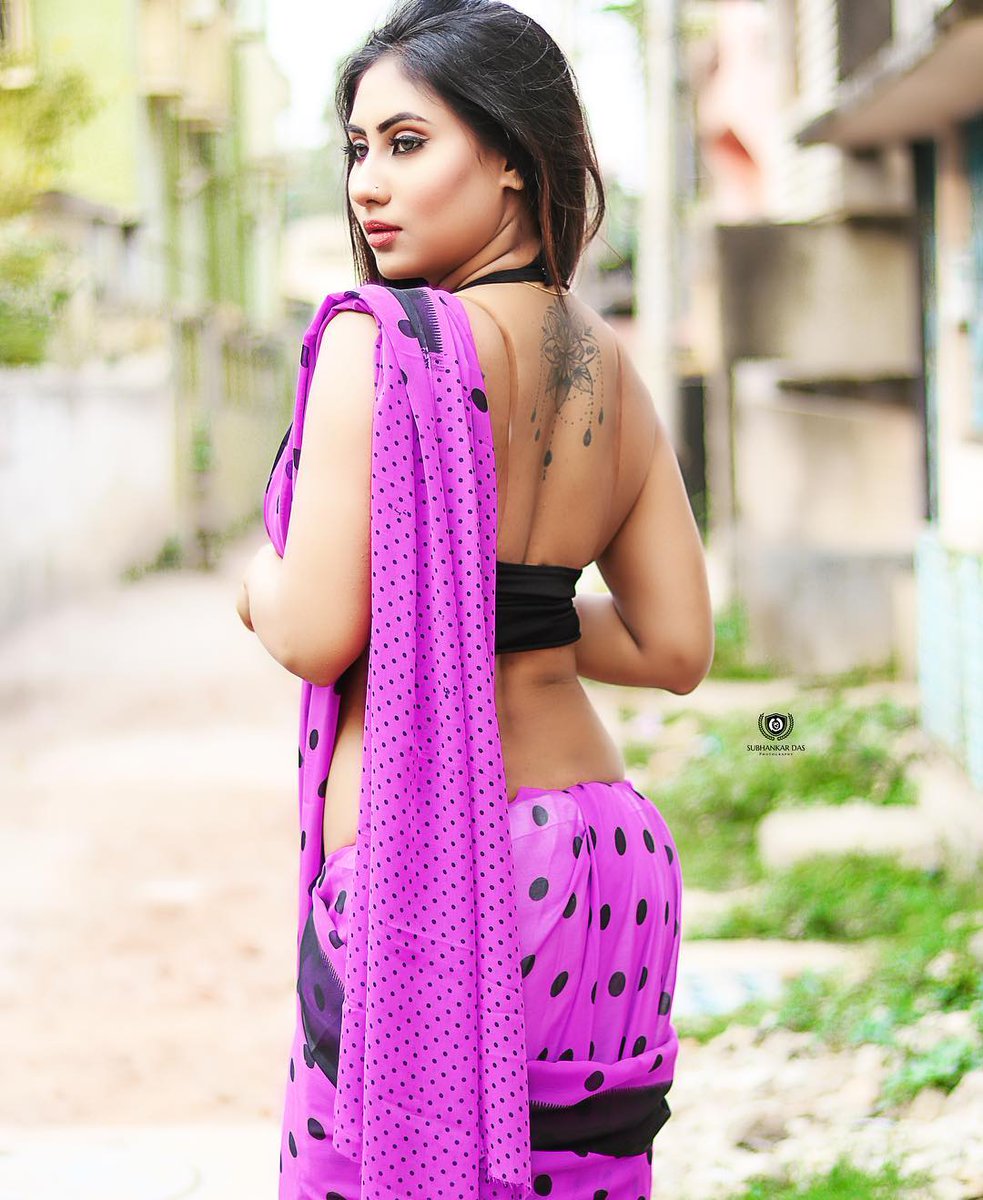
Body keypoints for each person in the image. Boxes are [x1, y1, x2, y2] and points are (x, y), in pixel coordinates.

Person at [238, 1, 714, 1196]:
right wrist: (505, 606)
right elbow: (671, 646)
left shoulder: (382, 341)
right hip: (609, 858)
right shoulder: (608, 365)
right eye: (358, 149)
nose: (367, 185)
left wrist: (256, 582)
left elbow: (315, 632)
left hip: (437, 871)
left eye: (407, 143)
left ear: (508, 154)